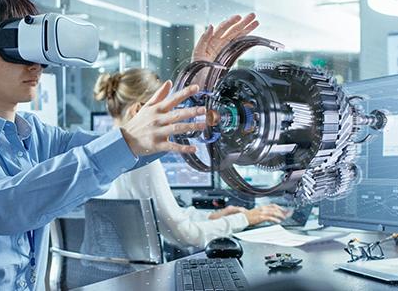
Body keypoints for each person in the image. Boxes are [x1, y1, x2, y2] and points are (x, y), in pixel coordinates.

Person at [0, 0, 220, 291]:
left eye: (38, 52)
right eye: (17, 49)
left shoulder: (38, 137)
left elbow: (139, 149)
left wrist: (194, 92)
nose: (36, 65)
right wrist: (126, 140)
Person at [94, 73, 287, 248]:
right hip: (137, 281)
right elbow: (185, 235)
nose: (169, 119)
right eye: (163, 110)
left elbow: (169, 219)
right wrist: (246, 218)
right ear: (138, 111)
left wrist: (212, 216)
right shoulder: (141, 161)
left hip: (102, 279)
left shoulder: (99, 152)